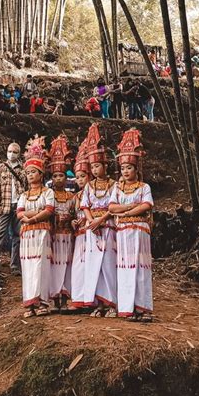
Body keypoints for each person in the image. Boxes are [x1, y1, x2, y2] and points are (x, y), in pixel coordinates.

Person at [109, 129, 154, 321]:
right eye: (123, 168)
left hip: (139, 231)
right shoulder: (117, 188)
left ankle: (143, 308)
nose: (126, 171)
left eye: (129, 168)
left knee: (141, 268)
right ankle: (129, 307)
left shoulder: (144, 187)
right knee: (125, 268)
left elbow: (146, 205)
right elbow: (111, 207)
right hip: (123, 232)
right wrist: (131, 208)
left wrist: (125, 211)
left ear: (136, 169)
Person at [80, 123, 117, 317]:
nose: (95, 169)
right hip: (92, 229)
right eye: (92, 166)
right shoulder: (88, 186)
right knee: (93, 265)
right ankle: (99, 304)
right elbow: (84, 205)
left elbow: (113, 208)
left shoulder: (114, 185)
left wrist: (99, 221)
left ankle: (111, 303)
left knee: (108, 264)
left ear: (105, 165)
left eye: (97, 165)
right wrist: (90, 221)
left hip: (108, 227)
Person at [17, 148, 55, 318]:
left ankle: (43, 302)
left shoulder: (48, 192)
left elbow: (49, 210)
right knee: (28, 267)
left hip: (42, 233)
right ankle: (30, 303)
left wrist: (31, 217)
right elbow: (19, 214)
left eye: (34, 172)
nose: (30, 175)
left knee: (41, 267)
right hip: (27, 235)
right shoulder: (24, 195)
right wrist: (36, 213)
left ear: (41, 174)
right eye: (28, 173)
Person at [0, 142, 26, 275]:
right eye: (9, 151)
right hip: (5, 205)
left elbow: (26, 188)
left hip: (18, 206)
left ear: (18, 154)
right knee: (0, 232)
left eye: (14, 152)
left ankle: (15, 265)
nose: (11, 154)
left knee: (17, 236)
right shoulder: (1, 168)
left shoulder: (23, 169)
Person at [49, 164, 74, 313]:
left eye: (61, 176)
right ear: (51, 178)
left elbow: (76, 214)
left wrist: (70, 219)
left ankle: (65, 300)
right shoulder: (47, 195)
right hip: (53, 235)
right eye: (55, 176)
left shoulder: (72, 197)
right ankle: (55, 300)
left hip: (67, 236)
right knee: (54, 267)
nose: (58, 179)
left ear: (66, 178)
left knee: (67, 266)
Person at [70, 140, 90, 310]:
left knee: (90, 266)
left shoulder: (95, 193)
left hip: (91, 233)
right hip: (79, 235)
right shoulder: (75, 197)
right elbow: (72, 215)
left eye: (83, 176)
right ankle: (78, 298)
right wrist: (73, 222)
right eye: (77, 177)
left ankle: (91, 299)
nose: (80, 180)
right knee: (78, 266)